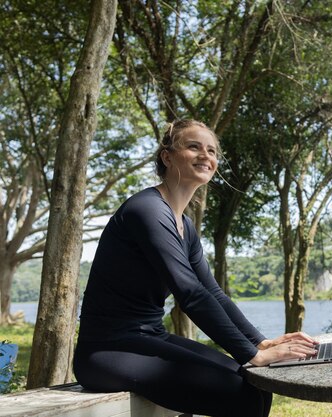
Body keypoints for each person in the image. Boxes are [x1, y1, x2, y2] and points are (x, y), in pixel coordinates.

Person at [73, 119, 318, 417]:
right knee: (242, 393)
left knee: (255, 384)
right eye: (194, 147)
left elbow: (212, 291)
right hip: (107, 350)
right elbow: (189, 294)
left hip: (149, 337)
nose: (206, 156)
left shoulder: (184, 225)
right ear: (167, 156)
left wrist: (259, 342)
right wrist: (253, 354)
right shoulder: (147, 210)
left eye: (212, 150)